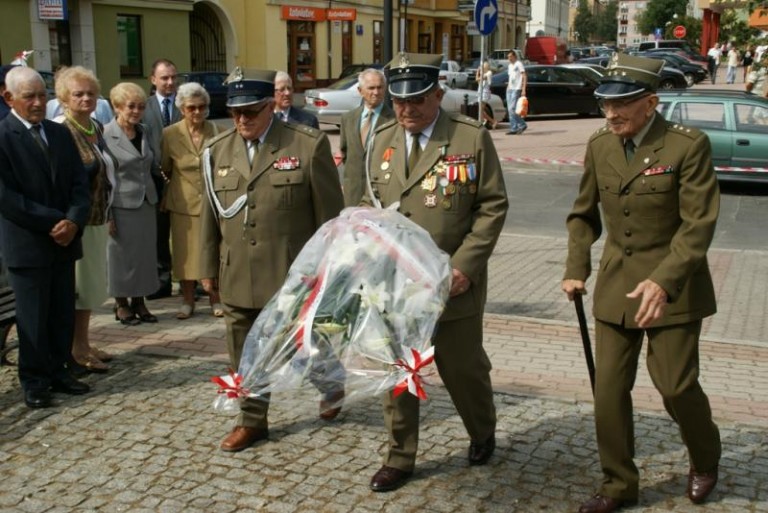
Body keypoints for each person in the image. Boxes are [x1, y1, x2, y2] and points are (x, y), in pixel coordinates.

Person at [561, 53, 721, 513]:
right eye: (605, 105)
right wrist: (576, 267)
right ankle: (618, 485)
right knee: (608, 391)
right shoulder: (600, 145)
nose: (611, 114)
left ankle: (705, 459)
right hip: (616, 289)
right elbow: (582, 215)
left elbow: (697, 227)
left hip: (674, 287)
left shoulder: (686, 147)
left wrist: (662, 281)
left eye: (623, 105)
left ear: (650, 103)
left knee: (676, 387)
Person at [362, 52, 508, 492]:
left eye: (418, 101)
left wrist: (465, 266)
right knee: (399, 372)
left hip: (451, 286)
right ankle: (399, 456)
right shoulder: (381, 139)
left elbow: (492, 206)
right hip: (395, 286)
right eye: (399, 102)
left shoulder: (469, 138)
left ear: (438, 95)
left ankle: (482, 431)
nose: (406, 110)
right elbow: (366, 205)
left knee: (463, 370)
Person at [199, 67, 344, 453]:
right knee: (242, 350)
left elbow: (329, 219)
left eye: (250, 111)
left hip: (290, 274)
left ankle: (331, 383)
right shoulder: (217, 151)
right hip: (237, 272)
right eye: (235, 112)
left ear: (269, 107)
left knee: (304, 344)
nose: (242, 120)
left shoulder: (305, 145)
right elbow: (209, 215)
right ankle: (252, 421)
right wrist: (207, 267)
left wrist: (326, 271)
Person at [0, 66, 91, 408]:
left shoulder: (59, 133)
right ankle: (35, 380)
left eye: (42, 95)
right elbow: (8, 198)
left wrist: (74, 220)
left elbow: (80, 185)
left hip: (64, 241)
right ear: (8, 98)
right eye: (30, 97)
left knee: (61, 311)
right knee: (33, 318)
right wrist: (57, 221)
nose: (39, 102)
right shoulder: (3, 136)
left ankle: (59, 370)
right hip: (29, 244)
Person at [54, 66, 117, 373]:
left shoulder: (95, 126)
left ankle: (84, 341)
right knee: (80, 287)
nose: (86, 98)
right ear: (64, 97)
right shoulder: (60, 130)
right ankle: (75, 348)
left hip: (98, 217)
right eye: (78, 93)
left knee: (91, 287)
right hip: (76, 222)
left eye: (91, 93)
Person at [160, 82, 223, 319]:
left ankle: (215, 298)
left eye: (201, 107)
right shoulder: (170, 134)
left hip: (211, 202)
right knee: (185, 254)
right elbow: (165, 167)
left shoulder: (216, 131)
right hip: (182, 203)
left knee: (212, 251)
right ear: (182, 109)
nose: (197, 112)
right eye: (191, 108)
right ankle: (187, 300)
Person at [104, 82, 160, 325]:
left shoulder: (145, 130)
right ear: (117, 107)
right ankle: (121, 304)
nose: (136, 111)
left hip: (146, 202)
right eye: (131, 106)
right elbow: (102, 178)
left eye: (141, 106)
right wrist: (107, 214)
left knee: (145, 256)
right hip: (120, 205)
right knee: (120, 257)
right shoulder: (105, 134)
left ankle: (140, 302)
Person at [142, 58, 181, 300]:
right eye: (164, 78)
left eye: (173, 78)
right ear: (153, 79)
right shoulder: (143, 107)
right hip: (154, 179)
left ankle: (192, 280)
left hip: (182, 179)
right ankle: (161, 282)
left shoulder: (186, 104)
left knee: (185, 232)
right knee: (158, 232)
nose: (169, 82)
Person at [338, 68, 394, 207]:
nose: (376, 92)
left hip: (381, 195)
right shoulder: (348, 119)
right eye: (371, 88)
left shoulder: (395, 120)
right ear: (360, 91)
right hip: (354, 194)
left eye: (380, 87)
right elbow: (346, 154)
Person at [505, 51, 527, 135]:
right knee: (510, 110)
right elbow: (510, 77)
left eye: (510, 56)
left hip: (516, 89)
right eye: (508, 57)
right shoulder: (510, 66)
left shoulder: (519, 64)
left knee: (512, 108)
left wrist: (523, 88)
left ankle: (519, 125)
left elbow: (524, 76)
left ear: (514, 56)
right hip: (510, 89)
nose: (509, 58)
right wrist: (508, 87)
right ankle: (516, 127)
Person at [475, 60, 497, 129]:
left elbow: (478, 79)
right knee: (480, 110)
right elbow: (478, 81)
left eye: (483, 67)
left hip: (485, 93)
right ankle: (487, 122)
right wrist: (478, 72)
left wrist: (478, 72)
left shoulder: (489, 73)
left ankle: (492, 121)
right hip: (480, 93)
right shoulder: (483, 73)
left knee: (481, 110)